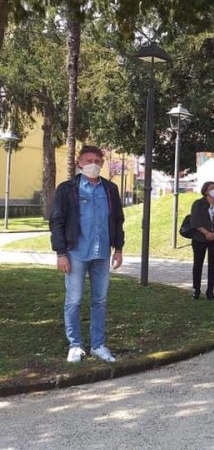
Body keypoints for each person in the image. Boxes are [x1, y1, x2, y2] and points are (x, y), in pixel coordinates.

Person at [50, 145, 124, 364]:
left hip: (102, 253)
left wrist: (118, 249)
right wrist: (61, 253)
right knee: (74, 300)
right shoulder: (67, 189)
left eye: (97, 161)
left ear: (102, 163)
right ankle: (75, 345)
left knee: (100, 300)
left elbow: (117, 220)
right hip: (75, 254)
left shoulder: (110, 189)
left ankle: (98, 345)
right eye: (88, 160)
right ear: (79, 163)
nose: (93, 164)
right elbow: (57, 221)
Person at [188, 181, 214, 300]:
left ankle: (210, 291)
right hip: (199, 238)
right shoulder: (198, 204)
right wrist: (206, 233)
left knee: (213, 265)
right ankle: (196, 290)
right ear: (205, 191)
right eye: (211, 188)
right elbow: (195, 221)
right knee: (198, 264)